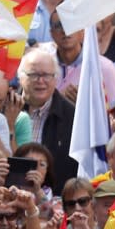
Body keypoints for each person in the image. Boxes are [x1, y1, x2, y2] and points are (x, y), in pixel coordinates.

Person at [17, 50, 76, 194]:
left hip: (55, 202)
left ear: (55, 79)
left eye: (47, 75)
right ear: (20, 78)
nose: (40, 81)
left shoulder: (72, 117)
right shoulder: (7, 108)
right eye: (34, 75)